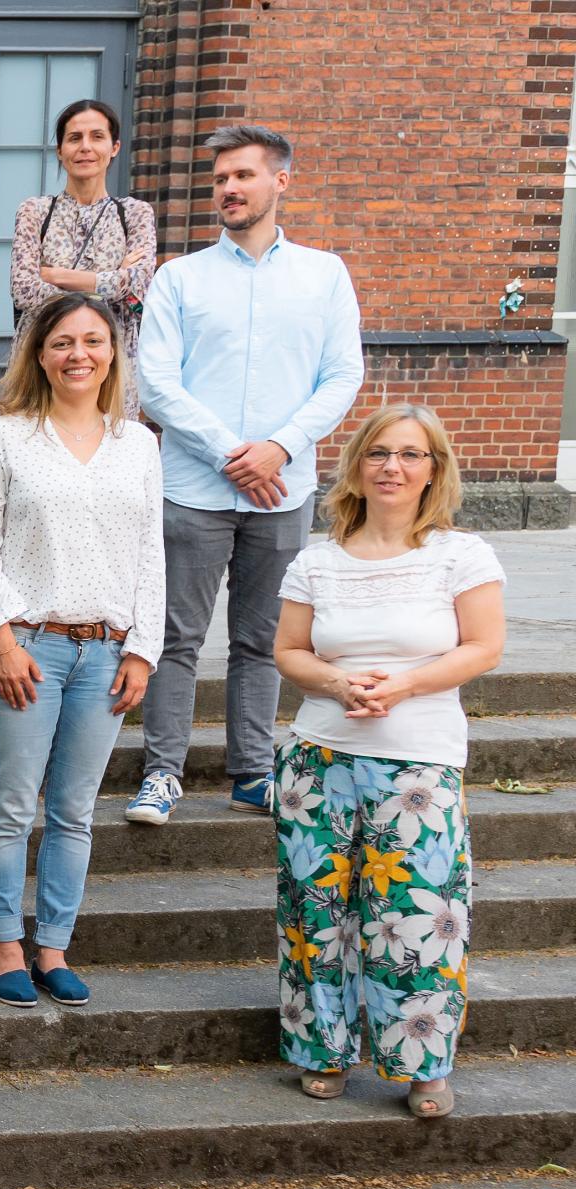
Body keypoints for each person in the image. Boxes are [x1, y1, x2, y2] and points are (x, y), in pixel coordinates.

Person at [273, 404, 502, 1122]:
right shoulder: (316, 561)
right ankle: (322, 1050)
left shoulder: (461, 555)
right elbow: (288, 651)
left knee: (419, 913)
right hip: (319, 761)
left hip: (419, 764)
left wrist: (403, 684)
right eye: (378, 453)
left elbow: (483, 646)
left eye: (410, 454)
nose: (392, 467)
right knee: (317, 912)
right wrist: (337, 682)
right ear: (357, 467)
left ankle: (422, 1063)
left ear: (434, 469)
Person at [130, 124, 364, 826]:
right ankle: (162, 773)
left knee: (262, 641)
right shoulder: (180, 278)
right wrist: (236, 453)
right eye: (221, 179)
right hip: (194, 488)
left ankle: (254, 772)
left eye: (243, 175)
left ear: (280, 181)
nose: (229, 189)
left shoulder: (324, 275)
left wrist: (280, 449)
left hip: (283, 491)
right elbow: (156, 382)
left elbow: (342, 375)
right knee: (174, 637)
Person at [0, 294, 164, 1011]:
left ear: (112, 352)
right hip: (28, 649)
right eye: (63, 342)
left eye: (93, 341)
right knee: (14, 807)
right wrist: (2, 638)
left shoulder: (138, 444)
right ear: (39, 355)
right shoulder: (5, 439)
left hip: (106, 652)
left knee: (75, 812)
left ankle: (54, 947)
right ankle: (6, 946)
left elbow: (151, 555)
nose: (79, 354)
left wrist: (144, 650)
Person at [6, 99, 156, 417]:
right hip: (42, 363)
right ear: (60, 151)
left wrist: (55, 275)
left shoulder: (135, 214)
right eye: (74, 138)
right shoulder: (36, 212)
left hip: (110, 368)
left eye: (97, 137)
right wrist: (110, 280)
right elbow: (24, 290)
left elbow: (137, 289)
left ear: (114, 147)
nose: (85, 147)